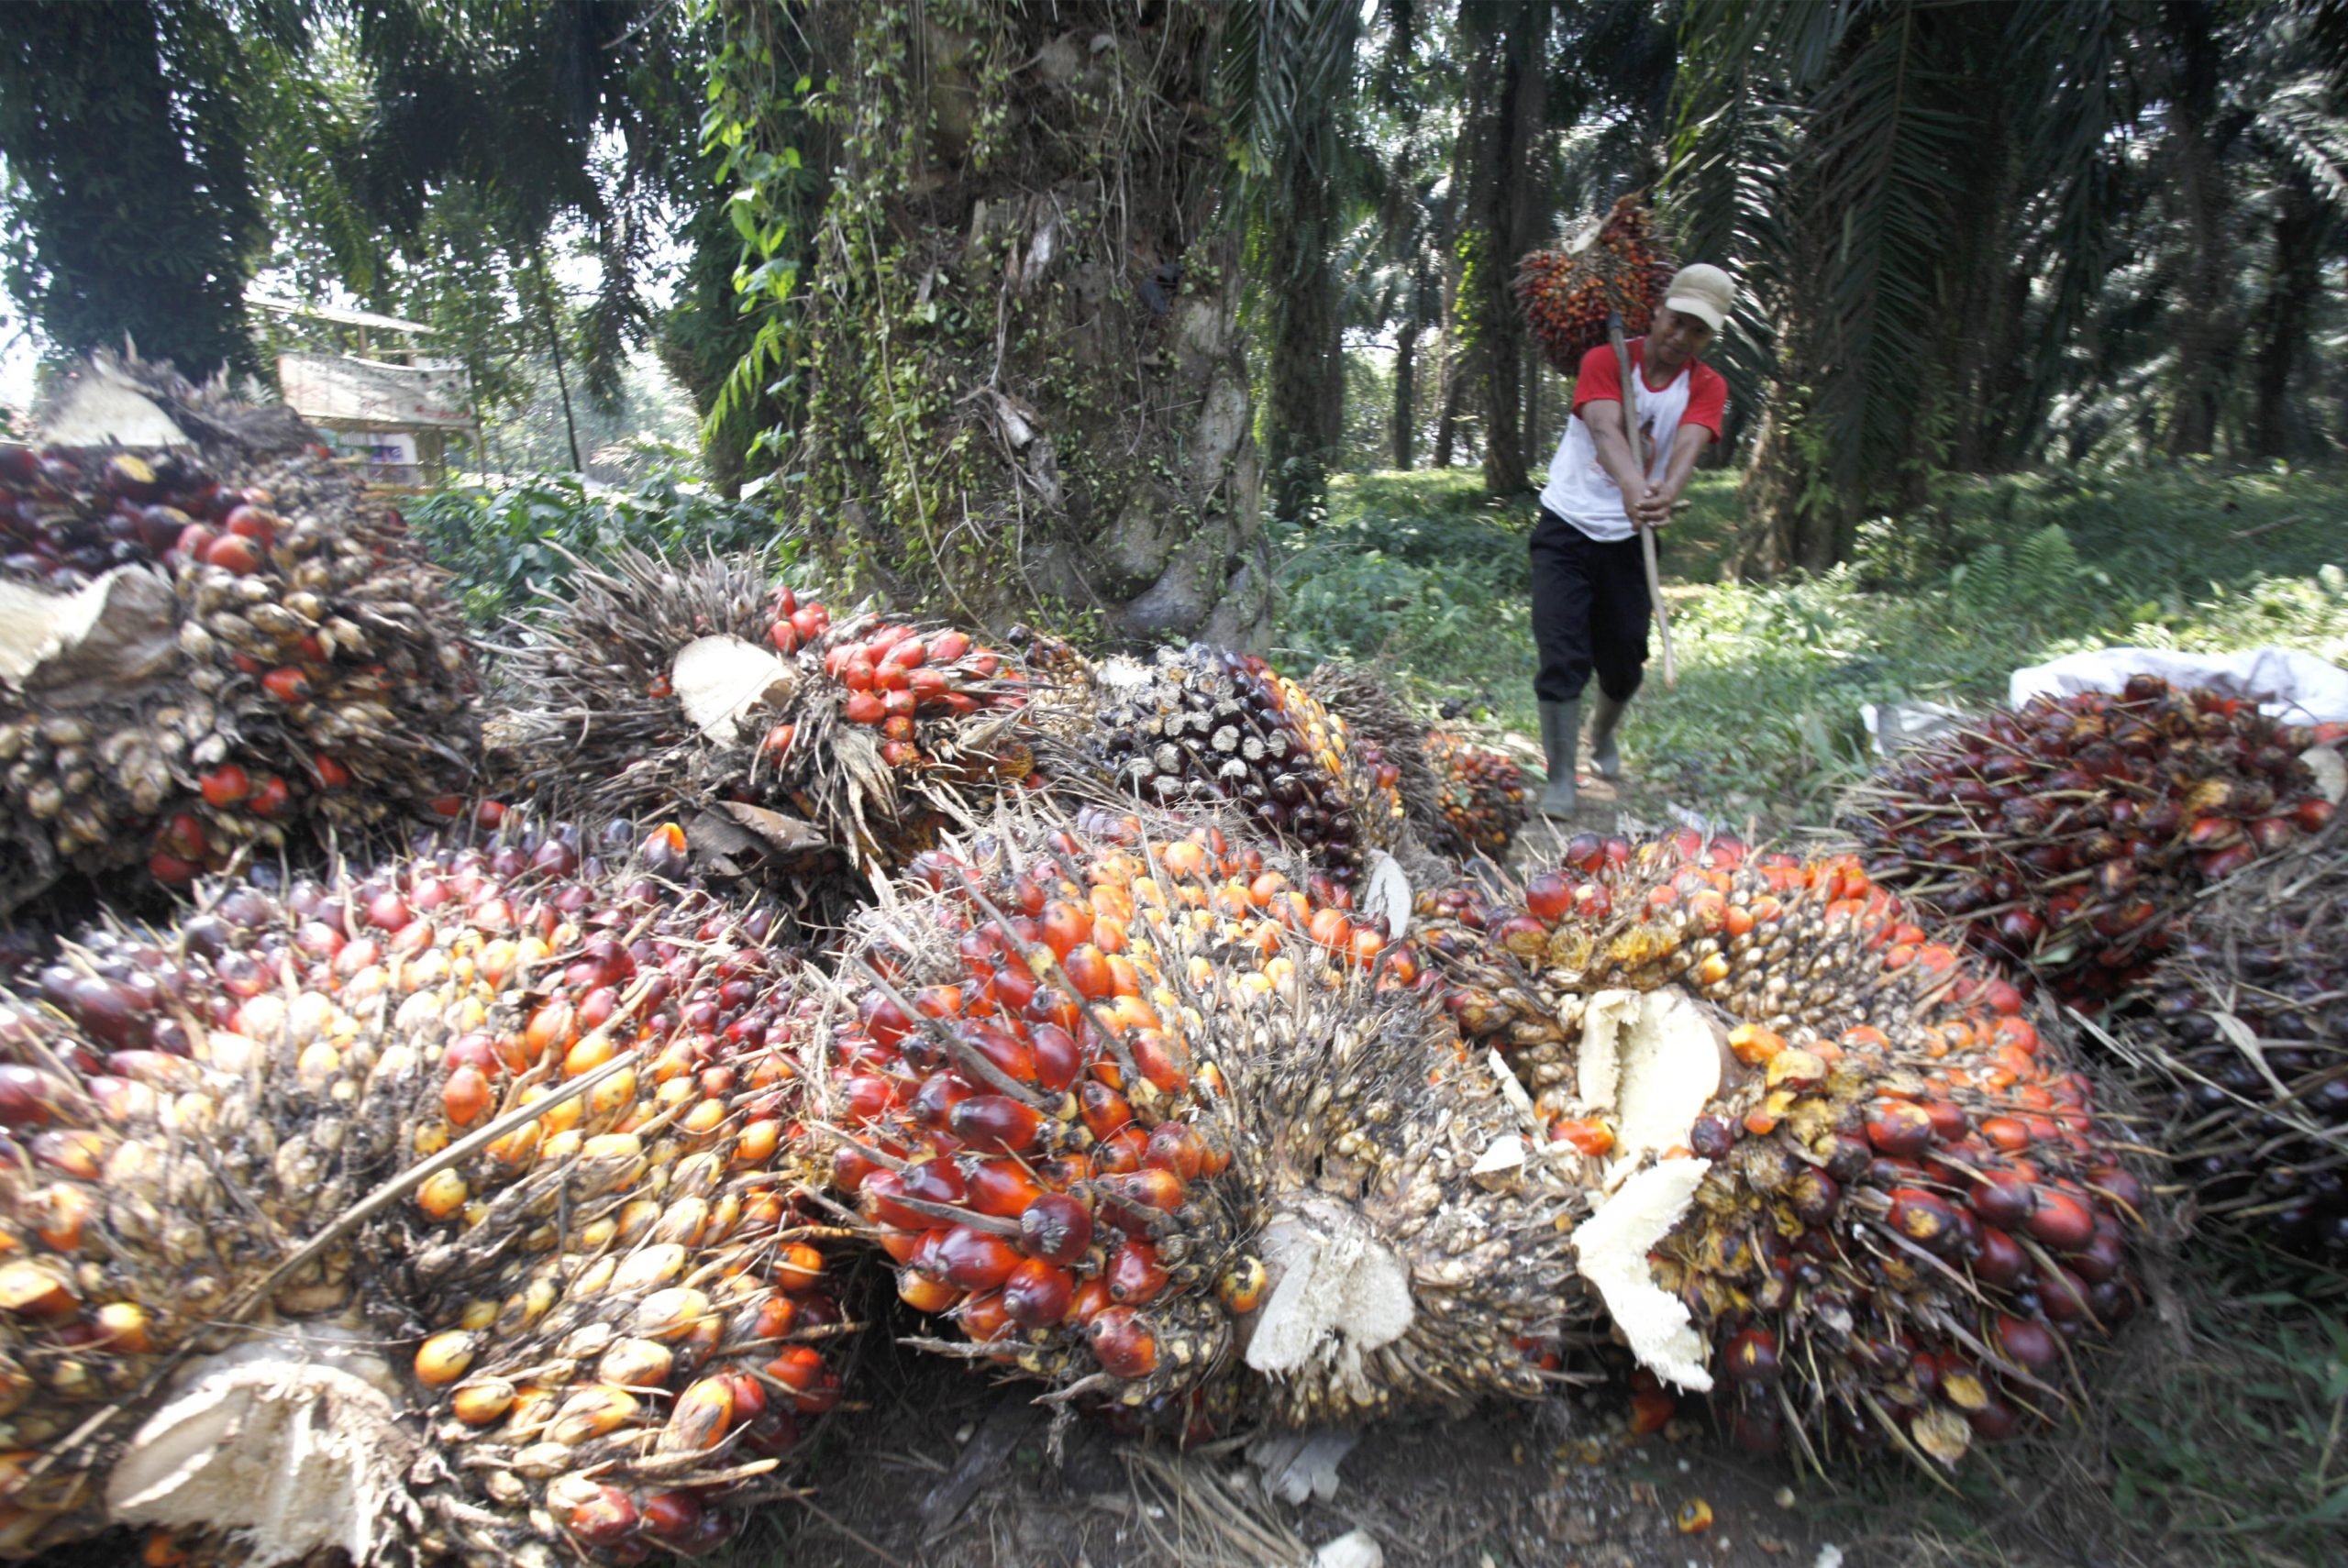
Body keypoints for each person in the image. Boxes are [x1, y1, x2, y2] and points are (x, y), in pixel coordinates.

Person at [1530, 262, 1733, 819]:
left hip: (1628, 540)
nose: (1681, 337)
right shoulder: (1605, 359)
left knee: (1623, 660)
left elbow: (1689, 445)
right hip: (1566, 526)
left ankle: (1603, 733)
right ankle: (1562, 777)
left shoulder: (1707, 386)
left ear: (1710, 338)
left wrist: (1663, 493)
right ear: (1659, 311)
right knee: (1561, 652)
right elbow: (1603, 429)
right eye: (1677, 321)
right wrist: (1632, 485)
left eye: (1699, 331)